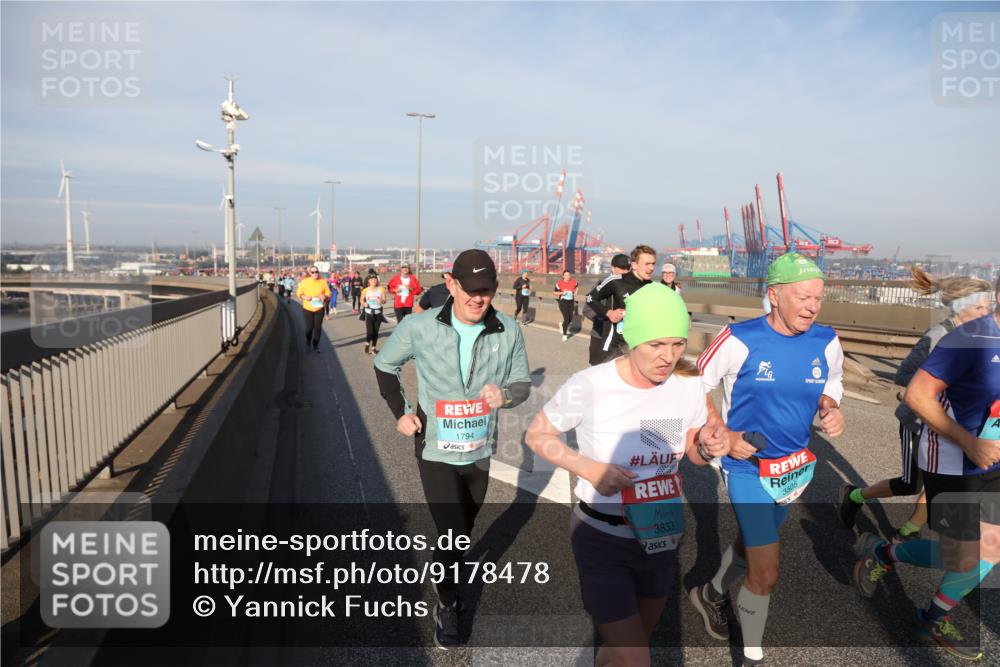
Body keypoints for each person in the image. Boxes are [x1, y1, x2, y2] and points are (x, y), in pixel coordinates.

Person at [525, 283, 728, 666]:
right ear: (632, 338)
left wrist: (706, 446)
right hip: (602, 538)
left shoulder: (687, 384)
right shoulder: (591, 385)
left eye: (678, 344)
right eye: (656, 344)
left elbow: (691, 452)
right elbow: (537, 435)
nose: (668, 357)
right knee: (636, 657)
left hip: (661, 534)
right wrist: (590, 469)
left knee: (632, 649)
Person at [688, 252, 845, 667]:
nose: (812, 307)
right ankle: (751, 656)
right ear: (774, 296)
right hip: (746, 468)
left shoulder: (826, 340)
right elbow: (692, 384)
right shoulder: (739, 338)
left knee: (754, 542)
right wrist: (723, 432)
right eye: (803, 297)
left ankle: (710, 592)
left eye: (818, 298)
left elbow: (833, 381)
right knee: (767, 572)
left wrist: (830, 406)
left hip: (792, 469)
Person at [373, 249, 531, 649]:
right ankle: (447, 602)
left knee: (465, 526)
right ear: (451, 284)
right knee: (454, 535)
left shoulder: (508, 329)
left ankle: (445, 571)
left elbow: (522, 383)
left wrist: (505, 396)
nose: (478, 299)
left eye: (486, 291)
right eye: (470, 289)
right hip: (435, 449)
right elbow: (385, 365)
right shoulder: (419, 326)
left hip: (479, 448)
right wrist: (402, 412)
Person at [852, 273, 999, 661]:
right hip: (953, 459)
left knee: (992, 547)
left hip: (994, 459)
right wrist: (970, 442)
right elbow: (917, 395)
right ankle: (883, 553)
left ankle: (932, 618)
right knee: (962, 555)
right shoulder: (969, 338)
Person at [838, 268, 994, 540]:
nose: (985, 313)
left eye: (987, 307)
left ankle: (907, 533)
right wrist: (942, 387)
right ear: (960, 307)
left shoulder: (981, 338)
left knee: (945, 480)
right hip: (919, 422)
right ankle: (854, 496)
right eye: (978, 307)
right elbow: (903, 375)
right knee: (910, 484)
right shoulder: (938, 337)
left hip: (953, 426)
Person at [585, 245, 656, 363]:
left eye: (653, 264)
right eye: (647, 264)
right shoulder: (615, 281)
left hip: (637, 344)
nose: (651, 268)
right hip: (614, 345)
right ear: (634, 265)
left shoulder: (653, 287)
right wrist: (609, 313)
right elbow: (590, 298)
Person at [585, 254, 631, 366]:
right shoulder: (601, 284)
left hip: (623, 338)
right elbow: (587, 309)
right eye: (622, 268)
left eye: (627, 268)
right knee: (597, 369)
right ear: (612, 268)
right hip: (600, 335)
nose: (625, 272)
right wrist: (607, 316)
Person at [295, 265, 331, 353]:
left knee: (318, 328)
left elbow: (328, 293)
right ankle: (308, 341)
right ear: (310, 273)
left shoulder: (322, 282)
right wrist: (304, 297)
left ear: (318, 272)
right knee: (309, 328)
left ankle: (315, 345)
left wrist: (325, 296)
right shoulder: (305, 281)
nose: (315, 273)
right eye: (313, 272)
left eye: (316, 272)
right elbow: (299, 292)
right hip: (308, 308)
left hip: (319, 308)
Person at [360, 274, 387, 355]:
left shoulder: (381, 289)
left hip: (378, 313)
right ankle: (367, 343)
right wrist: (364, 303)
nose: (373, 281)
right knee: (370, 332)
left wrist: (381, 301)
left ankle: (373, 348)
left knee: (376, 331)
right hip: (369, 312)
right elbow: (361, 300)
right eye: (371, 279)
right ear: (368, 281)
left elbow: (384, 300)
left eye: (375, 279)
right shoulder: (365, 290)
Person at [553, 270, 579, 341]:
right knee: (567, 318)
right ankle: (564, 335)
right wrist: (562, 293)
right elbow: (554, 292)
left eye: (569, 275)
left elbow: (577, 286)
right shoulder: (559, 283)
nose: (567, 277)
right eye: (566, 275)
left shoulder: (573, 281)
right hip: (563, 302)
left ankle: (562, 325)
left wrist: (576, 292)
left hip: (571, 302)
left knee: (570, 319)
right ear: (563, 276)